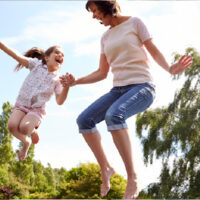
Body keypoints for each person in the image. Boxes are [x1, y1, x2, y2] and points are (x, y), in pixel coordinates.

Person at [60, 0, 192, 199]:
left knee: (115, 115)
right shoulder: (105, 37)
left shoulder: (135, 23)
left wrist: (170, 69)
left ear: (106, 5)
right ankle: (106, 168)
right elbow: (102, 72)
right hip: (118, 90)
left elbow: (153, 50)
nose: (93, 16)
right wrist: (75, 82)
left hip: (142, 87)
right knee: (84, 120)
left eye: (95, 10)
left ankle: (133, 177)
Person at [0, 41, 70, 161]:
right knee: (11, 126)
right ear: (47, 58)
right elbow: (15, 55)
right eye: (57, 53)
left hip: (37, 110)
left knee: (24, 128)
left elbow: (59, 101)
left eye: (63, 55)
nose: (60, 56)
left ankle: (32, 131)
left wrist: (67, 86)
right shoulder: (36, 65)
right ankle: (26, 142)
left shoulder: (58, 80)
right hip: (21, 104)